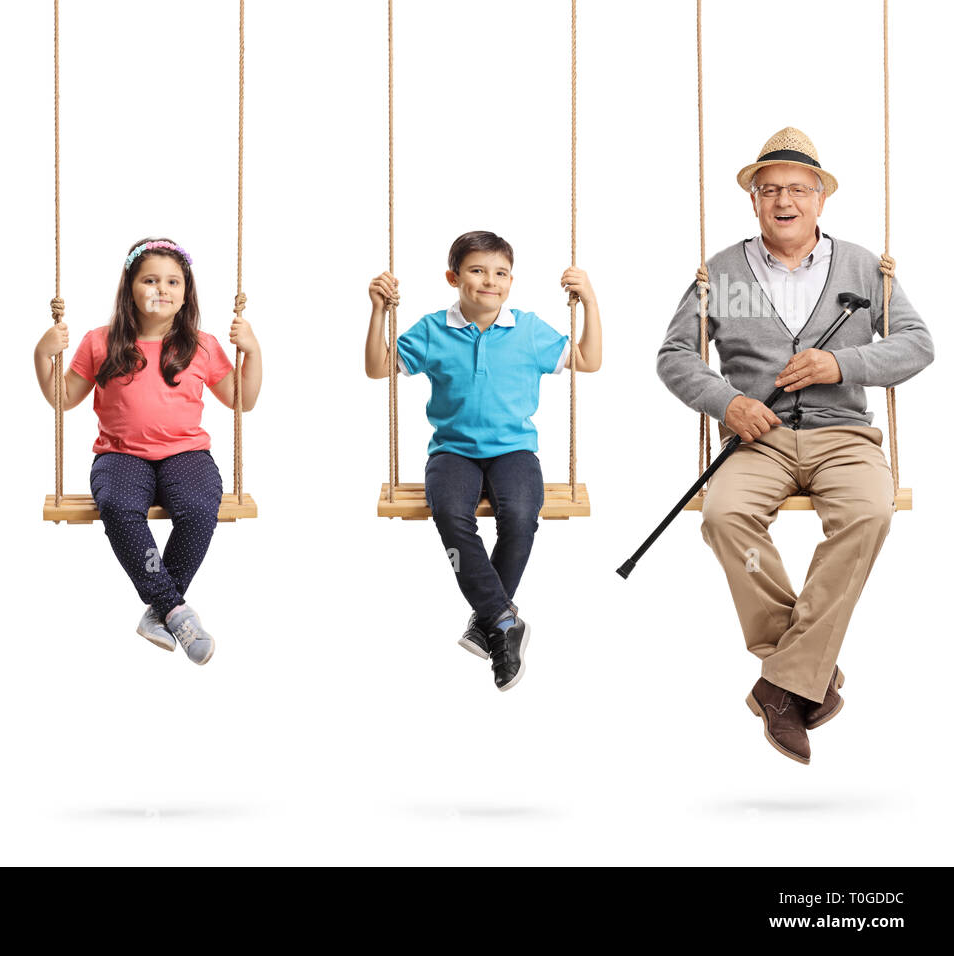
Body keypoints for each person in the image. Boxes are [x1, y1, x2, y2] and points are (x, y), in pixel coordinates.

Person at [657, 128, 934, 764]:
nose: (785, 200)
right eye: (770, 189)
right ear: (753, 201)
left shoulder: (864, 265)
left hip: (843, 435)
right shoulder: (722, 272)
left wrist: (843, 365)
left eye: (798, 189)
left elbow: (917, 343)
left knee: (871, 514)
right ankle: (803, 670)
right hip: (760, 440)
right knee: (725, 517)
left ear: (820, 200)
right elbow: (675, 354)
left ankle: (782, 680)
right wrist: (727, 402)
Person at [366, 231, 602, 692]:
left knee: (520, 515)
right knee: (452, 516)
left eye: (500, 273)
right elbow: (378, 367)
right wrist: (379, 311)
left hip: (514, 450)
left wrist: (589, 300)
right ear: (454, 277)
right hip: (452, 451)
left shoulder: (528, 329)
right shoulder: (434, 329)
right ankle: (501, 619)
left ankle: (489, 621)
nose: (489, 281)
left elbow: (588, 360)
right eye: (476, 271)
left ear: (511, 280)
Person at [34, 237, 262, 665]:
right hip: (120, 455)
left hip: (186, 454)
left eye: (173, 281)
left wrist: (252, 351)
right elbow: (64, 398)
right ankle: (175, 610)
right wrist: (42, 357)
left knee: (199, 507)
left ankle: (160, 610)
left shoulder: (203, 344)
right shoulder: (100, 342)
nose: (162, 288)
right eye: (151, 279)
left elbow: (241, 400)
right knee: (117, 505)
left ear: (186, 292)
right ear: (130, 288)